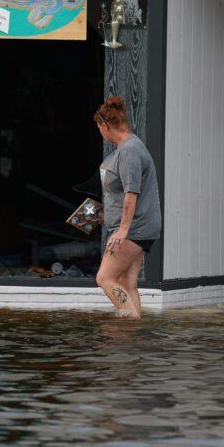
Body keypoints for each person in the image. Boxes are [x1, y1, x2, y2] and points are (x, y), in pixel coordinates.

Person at [94, 96, 161, 318]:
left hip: (134, 229)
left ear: (105, 126)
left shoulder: (129, 150)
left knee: (104, 278)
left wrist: (123, 230)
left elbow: (132, 193)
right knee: (127, 282)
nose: (100, 133)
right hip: (139, 228)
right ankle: (133, 333)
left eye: (98, 128)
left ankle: (128, 322)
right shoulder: (128, 147)